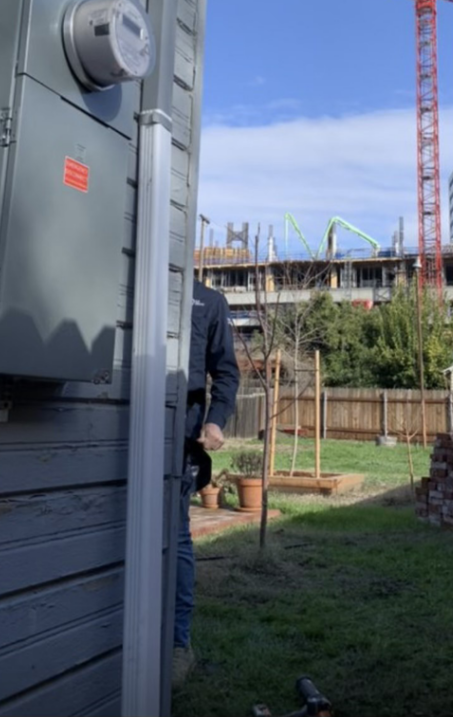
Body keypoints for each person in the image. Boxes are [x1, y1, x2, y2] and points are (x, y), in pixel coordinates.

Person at [173, 279, 241, 685]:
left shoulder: (209, 301)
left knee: (177, 539)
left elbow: (227, 373)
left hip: (178, 442)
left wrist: (215, 420)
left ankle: (178, 646)